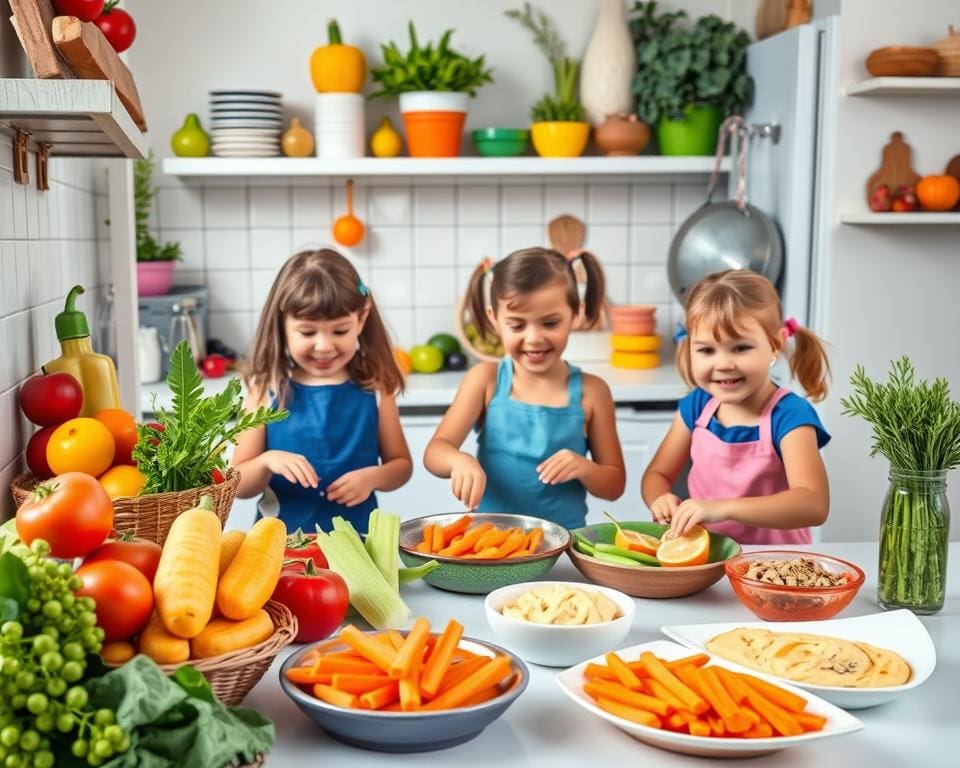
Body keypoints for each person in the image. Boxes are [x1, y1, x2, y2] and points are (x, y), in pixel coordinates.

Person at [424, 247, 625, 529]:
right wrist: (459, 461)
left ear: (575, 314)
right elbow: (435, 452)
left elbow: (614, 485)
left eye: (551, 323)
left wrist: (585, 467)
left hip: (564, 545)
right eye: (517, 325)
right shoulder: (485, 380)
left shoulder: (593, 391)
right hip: (493, 544)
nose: (534, 339)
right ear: (494, 319)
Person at [641, 269, 831, 544]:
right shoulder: (697, 406)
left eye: (740, 348)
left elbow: (813, 504)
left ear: (775, 345)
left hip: (774, 564)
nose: (724, 364)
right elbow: (657, 474)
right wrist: (661, 499)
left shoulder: (790, 415)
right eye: (707, 350)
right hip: (708, 558)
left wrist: (724, 508)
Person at [232, 249, 412, 534]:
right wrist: (267, 461)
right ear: (282, 323)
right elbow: (238, 484)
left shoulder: (377, 386)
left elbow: (401, 466)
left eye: (340, 331)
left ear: (361, 318)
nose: (324, 346)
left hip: (359, 542)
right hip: (280, 547)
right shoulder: (264, 388)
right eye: (307, 333)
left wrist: (373, 477)